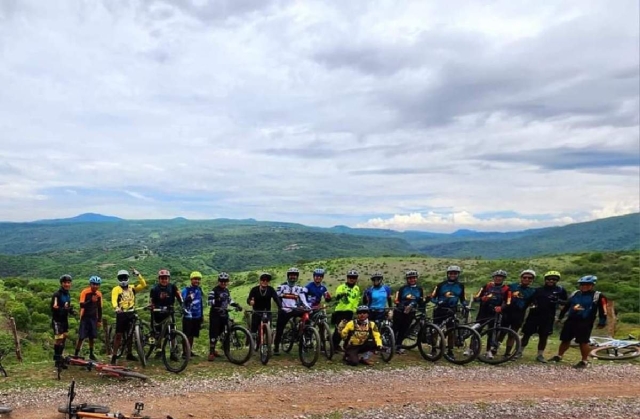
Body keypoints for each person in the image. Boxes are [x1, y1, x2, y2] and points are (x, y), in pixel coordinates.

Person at [550, 275, 607, 368]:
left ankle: (584, 361)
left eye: (587, 285)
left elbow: (603, 309)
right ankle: (559, 356)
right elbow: (567, 305)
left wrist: (602, 321)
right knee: (565, 339)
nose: (584, 286)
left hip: (585, 321)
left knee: (583, 341)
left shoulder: (598, 295)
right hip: (571, 319)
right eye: (582, 284)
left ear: (592, 285)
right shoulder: (575, 293)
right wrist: (560, 315)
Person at [520, 270, 568, 362]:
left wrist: (558, 301)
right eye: (549, 279)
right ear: (545, 280)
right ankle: (519, 352)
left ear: (557, 280)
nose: (551, 281)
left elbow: (566, 302)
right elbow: (528, 302)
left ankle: (540, 355)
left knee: (544, 336)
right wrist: (522, 313)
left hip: (548, 316)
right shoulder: (537, 290)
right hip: (533, 315)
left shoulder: (560, 290)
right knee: (527, 334)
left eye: (554, 279)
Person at [110, 268, 147, 365]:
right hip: (121, 313)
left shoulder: (132, 288)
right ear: (118, 279)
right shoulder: (116, 289)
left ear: (127, 278)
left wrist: (138, 274)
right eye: (121, 278)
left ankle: (129, 353)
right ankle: (114, 355)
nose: (123, 280)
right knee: (119, 335)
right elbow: (114, 299)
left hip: (132, 312)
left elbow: (143, 285)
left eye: (124, 278)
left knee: (130, 334)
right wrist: (116, 307)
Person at [473, 270, 511, 360]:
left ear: (503, 278)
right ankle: (471, 348)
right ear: (493, 277)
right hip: (483, 312)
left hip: (494, 313)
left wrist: (501, 308)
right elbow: (476, 298)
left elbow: (508, 302)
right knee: (477, 330)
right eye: (496, 276)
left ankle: (488, 351)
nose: (498, 278)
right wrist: (483, 298)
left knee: (492, 332)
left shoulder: (506, 289)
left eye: (500, 277)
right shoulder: (487, 286)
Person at [273, 267, 311, 356]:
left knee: (306, 317)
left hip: (294, 309)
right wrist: (280, 307)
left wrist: (308, 307)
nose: (293, 277)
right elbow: (276, 298)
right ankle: (276, 347)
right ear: (288, 276)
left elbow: (303, 299)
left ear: (297, 277)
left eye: (294, 275)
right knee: (280, 330)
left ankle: (304, 335)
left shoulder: (298, 288)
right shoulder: (281, 287)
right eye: (291, 275)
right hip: (284, 310)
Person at [500, 269, 537, 358]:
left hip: (519, 315)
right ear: (521, 278)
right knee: (502, 332)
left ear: (532, 280)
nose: (527, 279)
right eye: (525, 277)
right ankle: (494, 349)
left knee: (512, 334)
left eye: (530, 278)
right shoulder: (511, 286)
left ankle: (507, 353)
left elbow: (534, 303)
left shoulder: (533, 291)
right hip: (506, 313)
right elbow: (502, 297)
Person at [207, 272, 243, 361]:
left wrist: (236, 305)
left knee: (224, 332)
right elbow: (209, 302)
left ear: (227, 282)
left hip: (224, 314)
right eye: (221, 281)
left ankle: (226, 350)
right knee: (214, 333)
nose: (223, 283)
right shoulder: (214, 290)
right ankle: (211, 352)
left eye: (225, 281)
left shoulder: (226, 290)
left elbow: (229, 300)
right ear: (218, 281)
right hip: (215, 314)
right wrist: (218, 299)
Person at [150, 269, 184, 359]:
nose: (164, 280)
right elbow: (151, 302)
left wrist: (183, 306)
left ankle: (173, 352)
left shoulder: (173, 287)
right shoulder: (154, 289)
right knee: (158, 332)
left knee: (172, 332)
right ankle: (159, 351)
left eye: (166, 278)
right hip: (158, 313)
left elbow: (179, 297)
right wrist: (152, 307)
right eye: (162, 278)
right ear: (159, 279)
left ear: (168, 279)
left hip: (169, 312)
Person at [393, 270, 426, 354]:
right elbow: (396, 300)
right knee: (396, 328)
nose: (412, 280)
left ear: (416, 278)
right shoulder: (403, 288)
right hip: (400, 311)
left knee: (404, 329)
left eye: (414, 278)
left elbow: (421, 302)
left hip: (411, 312)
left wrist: (423, 311)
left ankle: (398, 346)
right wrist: (401, 305)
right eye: (410, 278)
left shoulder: (419, 289)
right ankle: (390, 344)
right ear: (407, 279)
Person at [247, 272, 282, 348]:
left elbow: (276, 299)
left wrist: (280, 307)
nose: (265, 282)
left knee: (269, 328)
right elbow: (249, 299)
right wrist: (250, 302)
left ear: (269, 282)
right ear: (260, 281)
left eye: (267, 280)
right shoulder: (254, 290)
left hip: (267, 312)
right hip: (257, 312)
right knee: (253, 329)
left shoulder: (271, 289)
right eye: (263, 280)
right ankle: (252, 343)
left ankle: (267, 342)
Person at [331, 269, 362, 352]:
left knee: (350, 330)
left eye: (354, 277)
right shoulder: (341, 287)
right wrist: (341, 294)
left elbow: (357, 299)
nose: (352, 279)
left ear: (356, 279)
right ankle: (334, 346)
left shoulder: (357, 288)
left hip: (350, 312)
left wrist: (355, 309)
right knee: (339, 330)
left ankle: (345, 346)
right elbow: (337, 297)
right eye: (350, 277)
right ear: (347, 278)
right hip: (340, 311)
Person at [74, 276, 103, 360]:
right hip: (85, 317)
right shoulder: (85, 292)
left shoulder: (99, 294)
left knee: (92, 337)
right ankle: (76, 353)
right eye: (93, 284)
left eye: (97, 285)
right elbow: (81, 305)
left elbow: (100, 308)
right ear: (90, 284)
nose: (95, 286)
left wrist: (99, 320)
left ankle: (91, 353)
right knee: (81, 337)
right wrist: (91, 301)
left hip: (93, 317)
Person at [51, 274, 75, 369]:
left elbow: (67, 307)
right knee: (58, 339)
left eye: (68, 282)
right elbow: (54, 308)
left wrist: (71, 311)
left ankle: (60, 358)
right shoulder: (57, 294)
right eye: (65, 282)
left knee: (64, 337)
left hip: (64, 320)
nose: (67, 284)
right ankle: (57, 360)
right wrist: (64, 310)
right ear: (61, 283)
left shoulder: (67, 294)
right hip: (57, 320)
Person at [182, 271, 205, 357]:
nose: (197, 281)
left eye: (198, 279)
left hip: (197, 316)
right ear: (191, 279)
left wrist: (201, 315)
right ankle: (184, 353)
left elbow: (200, 302)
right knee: (186, 335)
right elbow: (182, 302)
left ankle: (189, 351)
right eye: (195, 279)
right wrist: (188, 298)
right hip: (188, 317)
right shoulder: (186, 290)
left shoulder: (199, 289)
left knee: (192, 335)